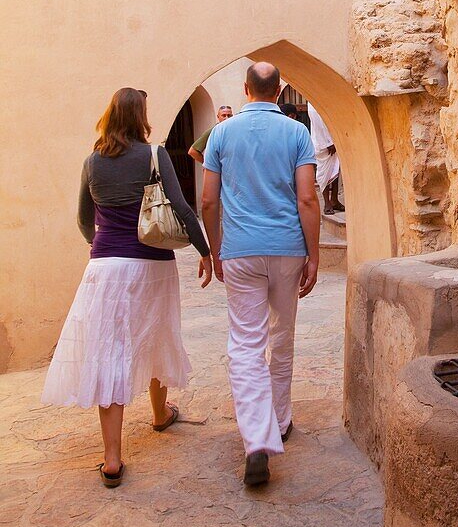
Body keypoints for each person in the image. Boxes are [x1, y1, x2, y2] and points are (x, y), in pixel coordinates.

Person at [42, 88, 212, 487]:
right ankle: (158, 415)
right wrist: (205, 252)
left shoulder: (92, 161)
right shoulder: (153, 155)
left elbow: (84, 218)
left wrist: (100, 244)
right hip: (151, 264)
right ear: (140, 117)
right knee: (155, 336)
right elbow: (182, 208)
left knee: (108, 350)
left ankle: (113, 458)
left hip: (105, 266)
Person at [201, 62, 320, 487]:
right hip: (287, 247)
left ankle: (258, 438)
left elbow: (209, 202)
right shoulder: (296, 133)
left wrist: (215, 249)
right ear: (279, 89)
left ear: (246, 88)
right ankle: (281, 419)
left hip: (241, 251)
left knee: (246, 344)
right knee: (281, 335)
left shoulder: (221, 133)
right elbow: (307, 199)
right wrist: (313, 253)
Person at [307, 102, 344, 215]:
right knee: (324, 173)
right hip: (322, 143)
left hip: (333, 139)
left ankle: (334, 200)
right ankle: (327, 203)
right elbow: (319, 125)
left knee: (336, 169)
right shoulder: (312, 104)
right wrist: (328, 143)